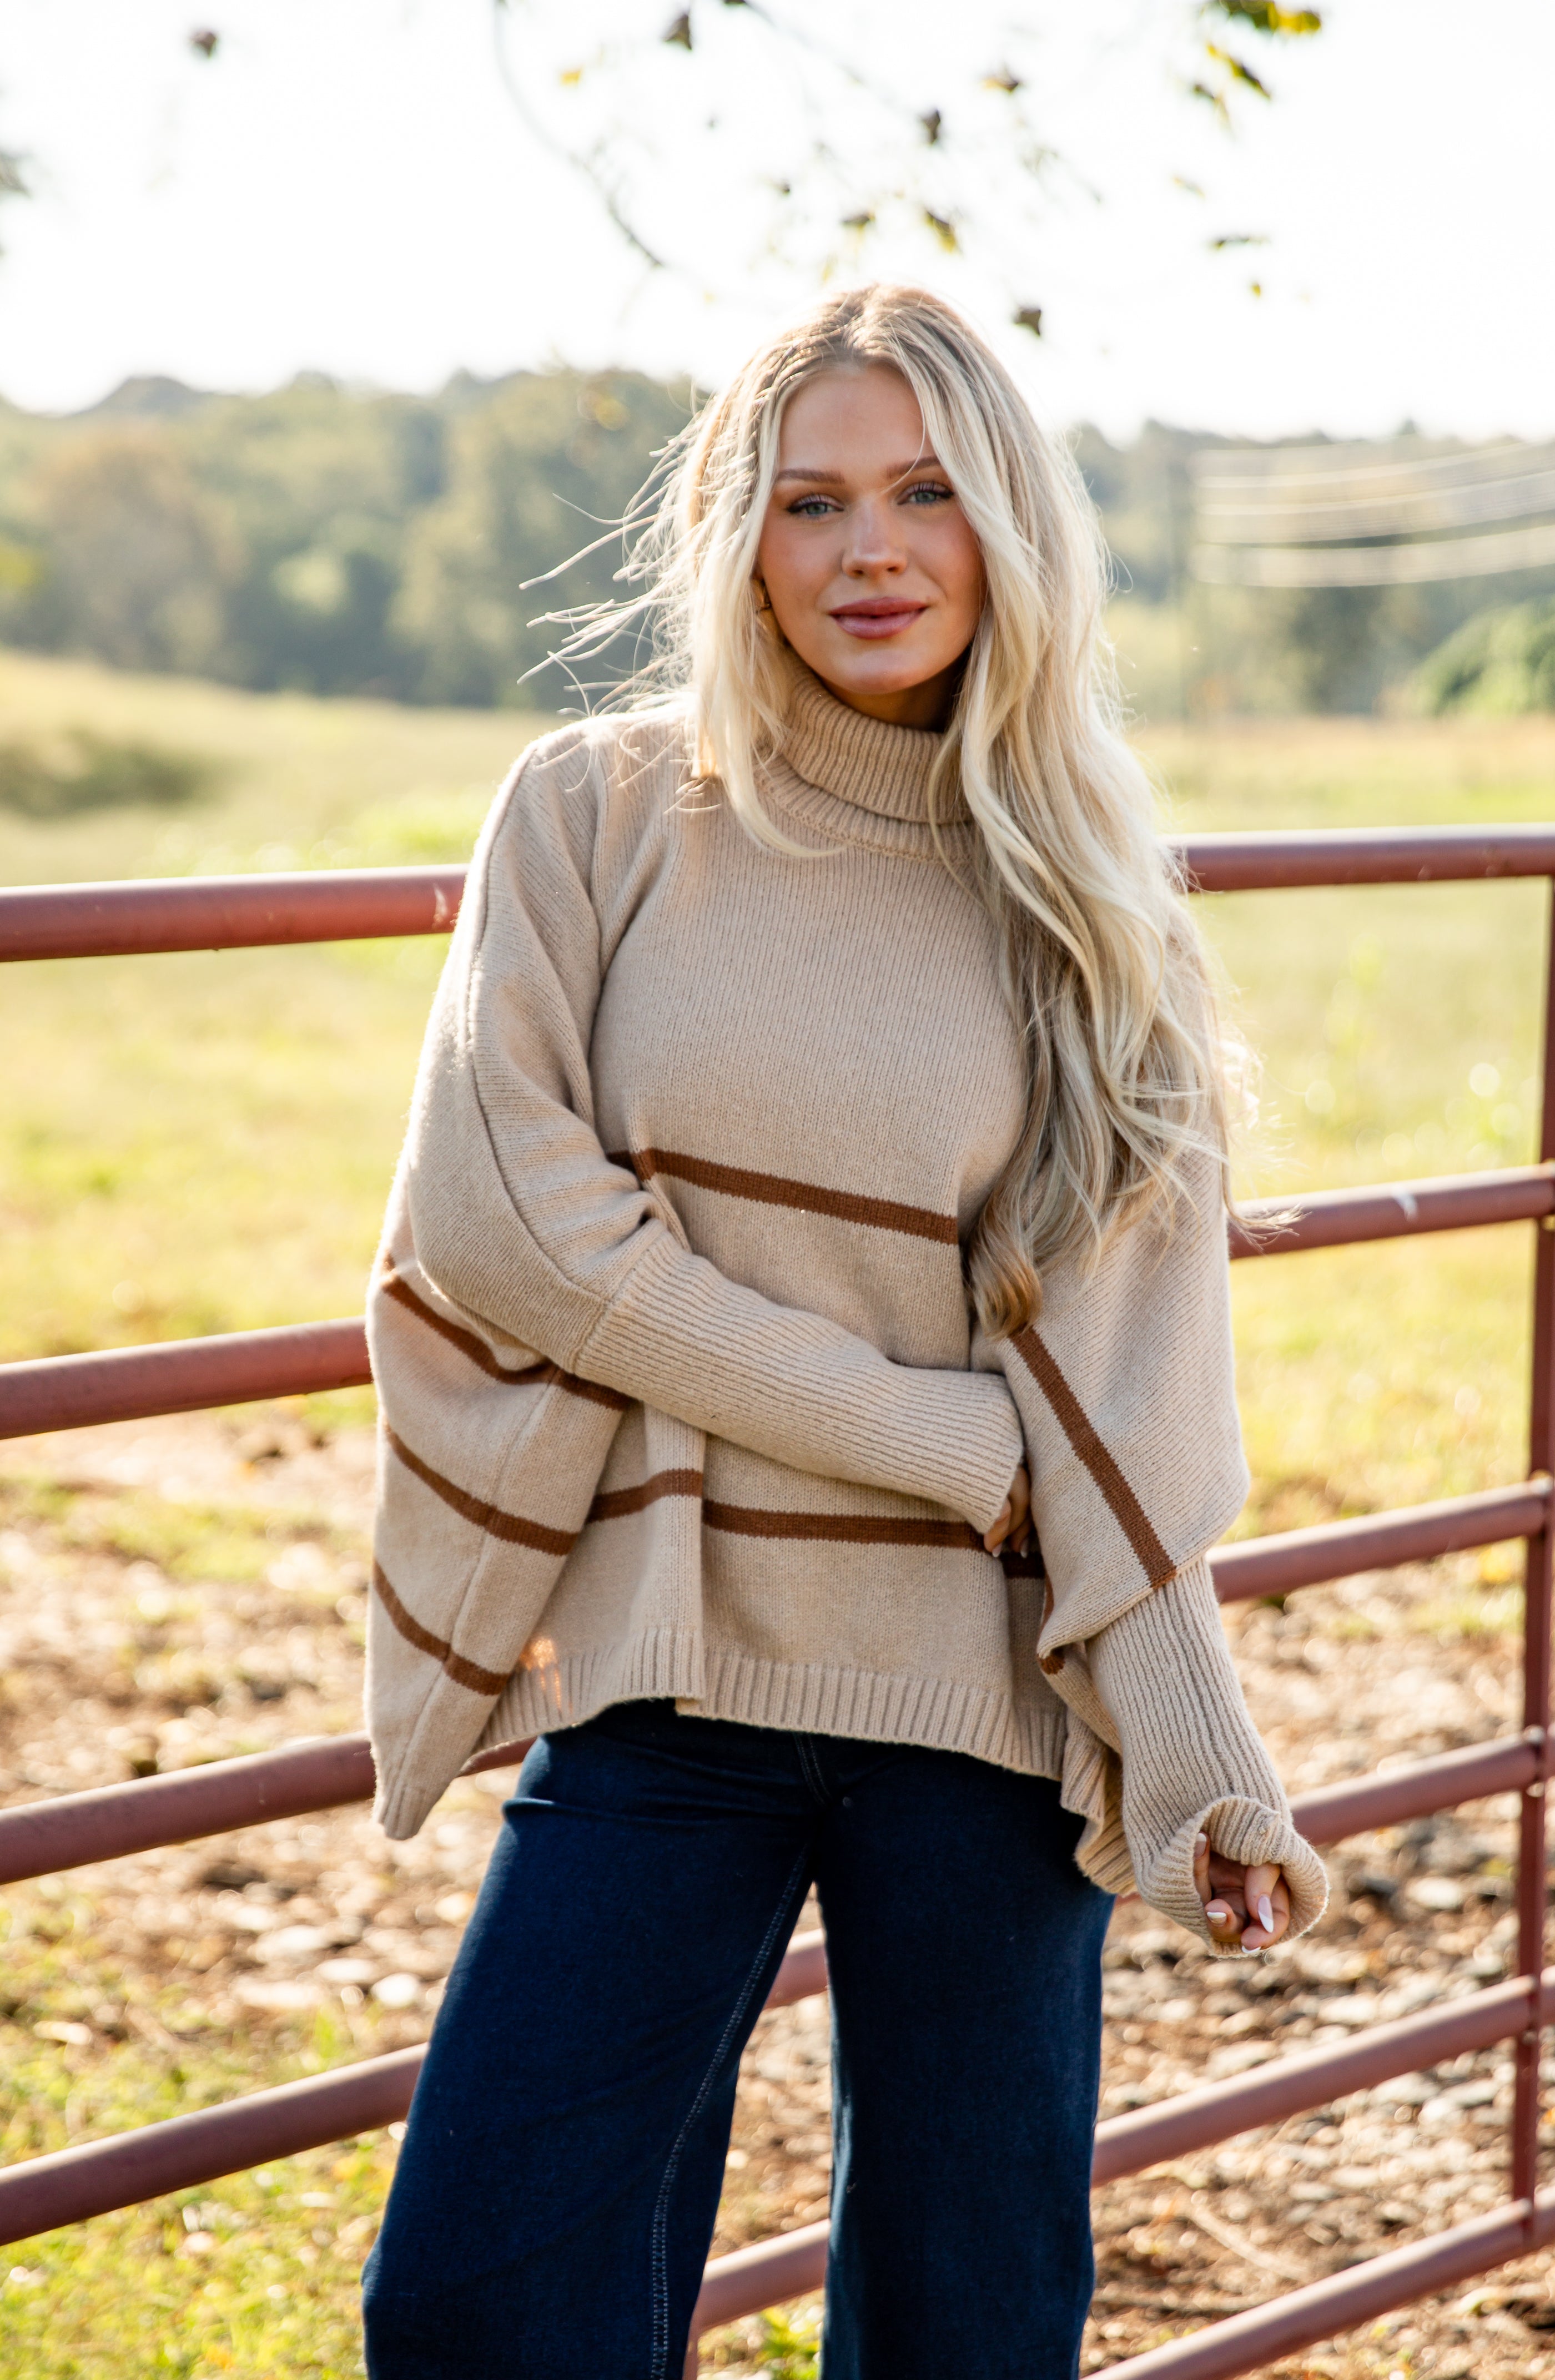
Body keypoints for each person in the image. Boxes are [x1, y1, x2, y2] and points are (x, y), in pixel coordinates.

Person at [358, 283, 1326, 2380]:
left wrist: (1200, 1751)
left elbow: (1120, 1382)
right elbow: (507, 1226)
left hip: (979, 1708)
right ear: (737, 538)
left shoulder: (1086, 901)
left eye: (922, 493)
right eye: (806, 503)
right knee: (474, 2303)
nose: (866, 552)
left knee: (968, 2330)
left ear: (1007, 528)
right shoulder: (601, 812)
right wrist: (947, 1446)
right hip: (670, 1678)